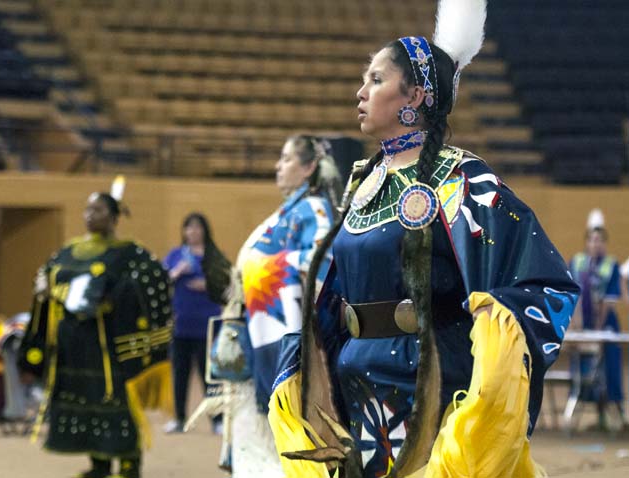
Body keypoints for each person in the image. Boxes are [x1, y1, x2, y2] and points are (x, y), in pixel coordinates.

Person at [268, 1, 580, 477]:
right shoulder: (365, 182)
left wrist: (496, 336)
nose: (361, 92)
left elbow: (542, 280)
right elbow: (336, 295)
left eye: (376, 79)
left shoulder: (461, 180)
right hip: (356, 384)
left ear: (413, 95)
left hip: (429, 386)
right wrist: (309, 363)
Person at [198, 134, 341, 477]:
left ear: (309, 168)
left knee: (284, 440)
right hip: (258, 341)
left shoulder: (314, 210)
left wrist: (261, 271)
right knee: (260, 441)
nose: (278, 166)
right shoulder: (286, 212)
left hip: (286, 347)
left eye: (287, 159)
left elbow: (323, 263)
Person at [17, 184, 172, 478]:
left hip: (110, 350)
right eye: (87, 209)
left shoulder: (129, 255)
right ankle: (99, 465)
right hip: (74, 351)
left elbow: (154, 286)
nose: (90, 215)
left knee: (118, 405)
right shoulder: (68, 251)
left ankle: (128, 465)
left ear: (114, 218)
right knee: (86, 404)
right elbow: (46, 277)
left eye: (98, 210)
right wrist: (43, 290)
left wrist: (115, 300)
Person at [161, 213, 223, 434]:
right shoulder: (177, 255)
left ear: (205, 230)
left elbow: (227, 284)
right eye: (189, 228)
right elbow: (162, 280)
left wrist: (208, 285)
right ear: (184, 231)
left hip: (208, 324)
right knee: (180, 373)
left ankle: (217, 419)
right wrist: (177, 272)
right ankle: (179, 418)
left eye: (197, 228)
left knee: (210, 375)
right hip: (181, 323)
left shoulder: (214, 256)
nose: (193, 232)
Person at [569, 209, 625, 430]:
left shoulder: (611, 265)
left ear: (605, 243)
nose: (596, 244)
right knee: (583, 369)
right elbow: (572, 296)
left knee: (609, 368)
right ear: (586, 242)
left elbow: (608, 302)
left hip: (606, 325)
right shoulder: (576, 263)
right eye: (592, 240)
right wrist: (579, 327)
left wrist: (597, 331)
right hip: (582, 325)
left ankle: (617, 412)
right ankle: (587, 412)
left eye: (600, 240)